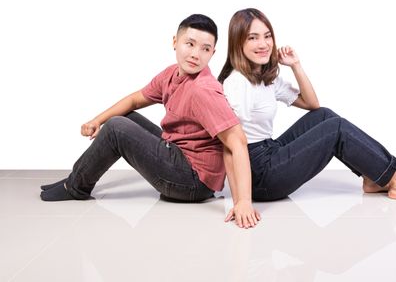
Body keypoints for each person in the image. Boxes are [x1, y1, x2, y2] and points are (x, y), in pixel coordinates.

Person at [41, 14, 260, 228]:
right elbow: (135, 100)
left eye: (205, 49)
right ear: (175, 42)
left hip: (193, 182)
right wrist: (97, 120)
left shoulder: (203, 90)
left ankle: (75, 186)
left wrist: (243, 202)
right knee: (126, 117)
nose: (196, 54)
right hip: (178, 153)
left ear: (213, 53)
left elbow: (237, 141)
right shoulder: (172, 73)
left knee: (118, 127)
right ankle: (75, 177)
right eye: (190, 44)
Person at [218, 8, 396, 202]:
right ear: (238, 42)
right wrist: (242, 200)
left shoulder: (265, 76)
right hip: (258, 175)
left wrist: (295, 65)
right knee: (335, 129)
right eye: (253, 38)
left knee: (324, 116)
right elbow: (231, 145)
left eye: (267, 36)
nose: (264, 44)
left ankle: (373, 179)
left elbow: (312, 104)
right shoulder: (237, 83)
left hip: (270, 151)